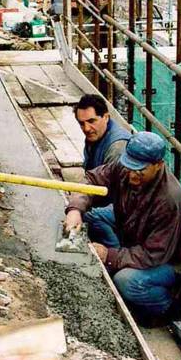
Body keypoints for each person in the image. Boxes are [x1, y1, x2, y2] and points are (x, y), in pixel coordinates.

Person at [64, 132, 181, 327]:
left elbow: (153, 254)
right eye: (130, 167)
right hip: (136, 229)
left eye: (140, 170)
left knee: (126, 281)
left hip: (173, 261)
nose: (132, 174)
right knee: (91, 216)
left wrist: (110, 255)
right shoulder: (127, 166)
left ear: (158, 165)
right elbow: (92, 181)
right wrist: (75, 209)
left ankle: (169, 306)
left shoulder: (170, 201)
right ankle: (119, 259)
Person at [73, 94, 132, 247]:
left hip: (124, 207)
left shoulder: (117, 147)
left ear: (106, 117)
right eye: (81, 124)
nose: (86, 128)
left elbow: (121, 196)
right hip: (105, 198)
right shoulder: (95, 136)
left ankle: (114, 255)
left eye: (92, 121)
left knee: (91, 217)